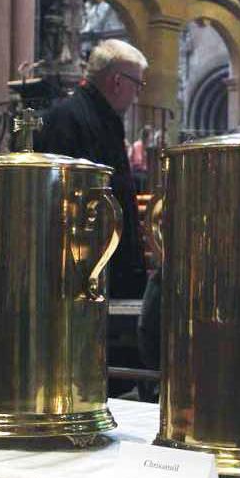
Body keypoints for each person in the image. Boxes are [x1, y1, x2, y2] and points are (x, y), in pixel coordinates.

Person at [34, 38, 149, 299]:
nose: (138, 94)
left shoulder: (100, 116)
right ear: (117, 82)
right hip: (86, 272)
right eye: (138, 84)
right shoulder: (68, 119)